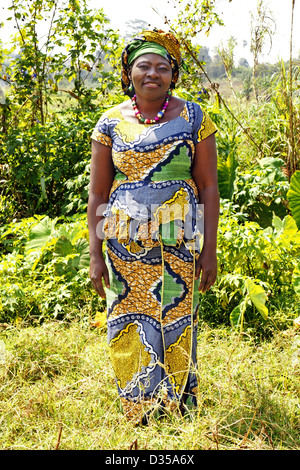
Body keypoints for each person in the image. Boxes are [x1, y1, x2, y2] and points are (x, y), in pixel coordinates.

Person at [88, 29, 219, 425]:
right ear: (129, 72)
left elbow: (209, 187)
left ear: (173, 75)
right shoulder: (109, 122)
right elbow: (97, 194)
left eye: (163, 67)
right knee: (129, 320)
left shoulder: (196, 118)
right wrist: (95, 256)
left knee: (178, 321)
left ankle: (179, 406)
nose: (153, 74)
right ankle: (139, 408)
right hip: (124, 244)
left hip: (180, 240)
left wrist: (210, 251)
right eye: (144, 66)